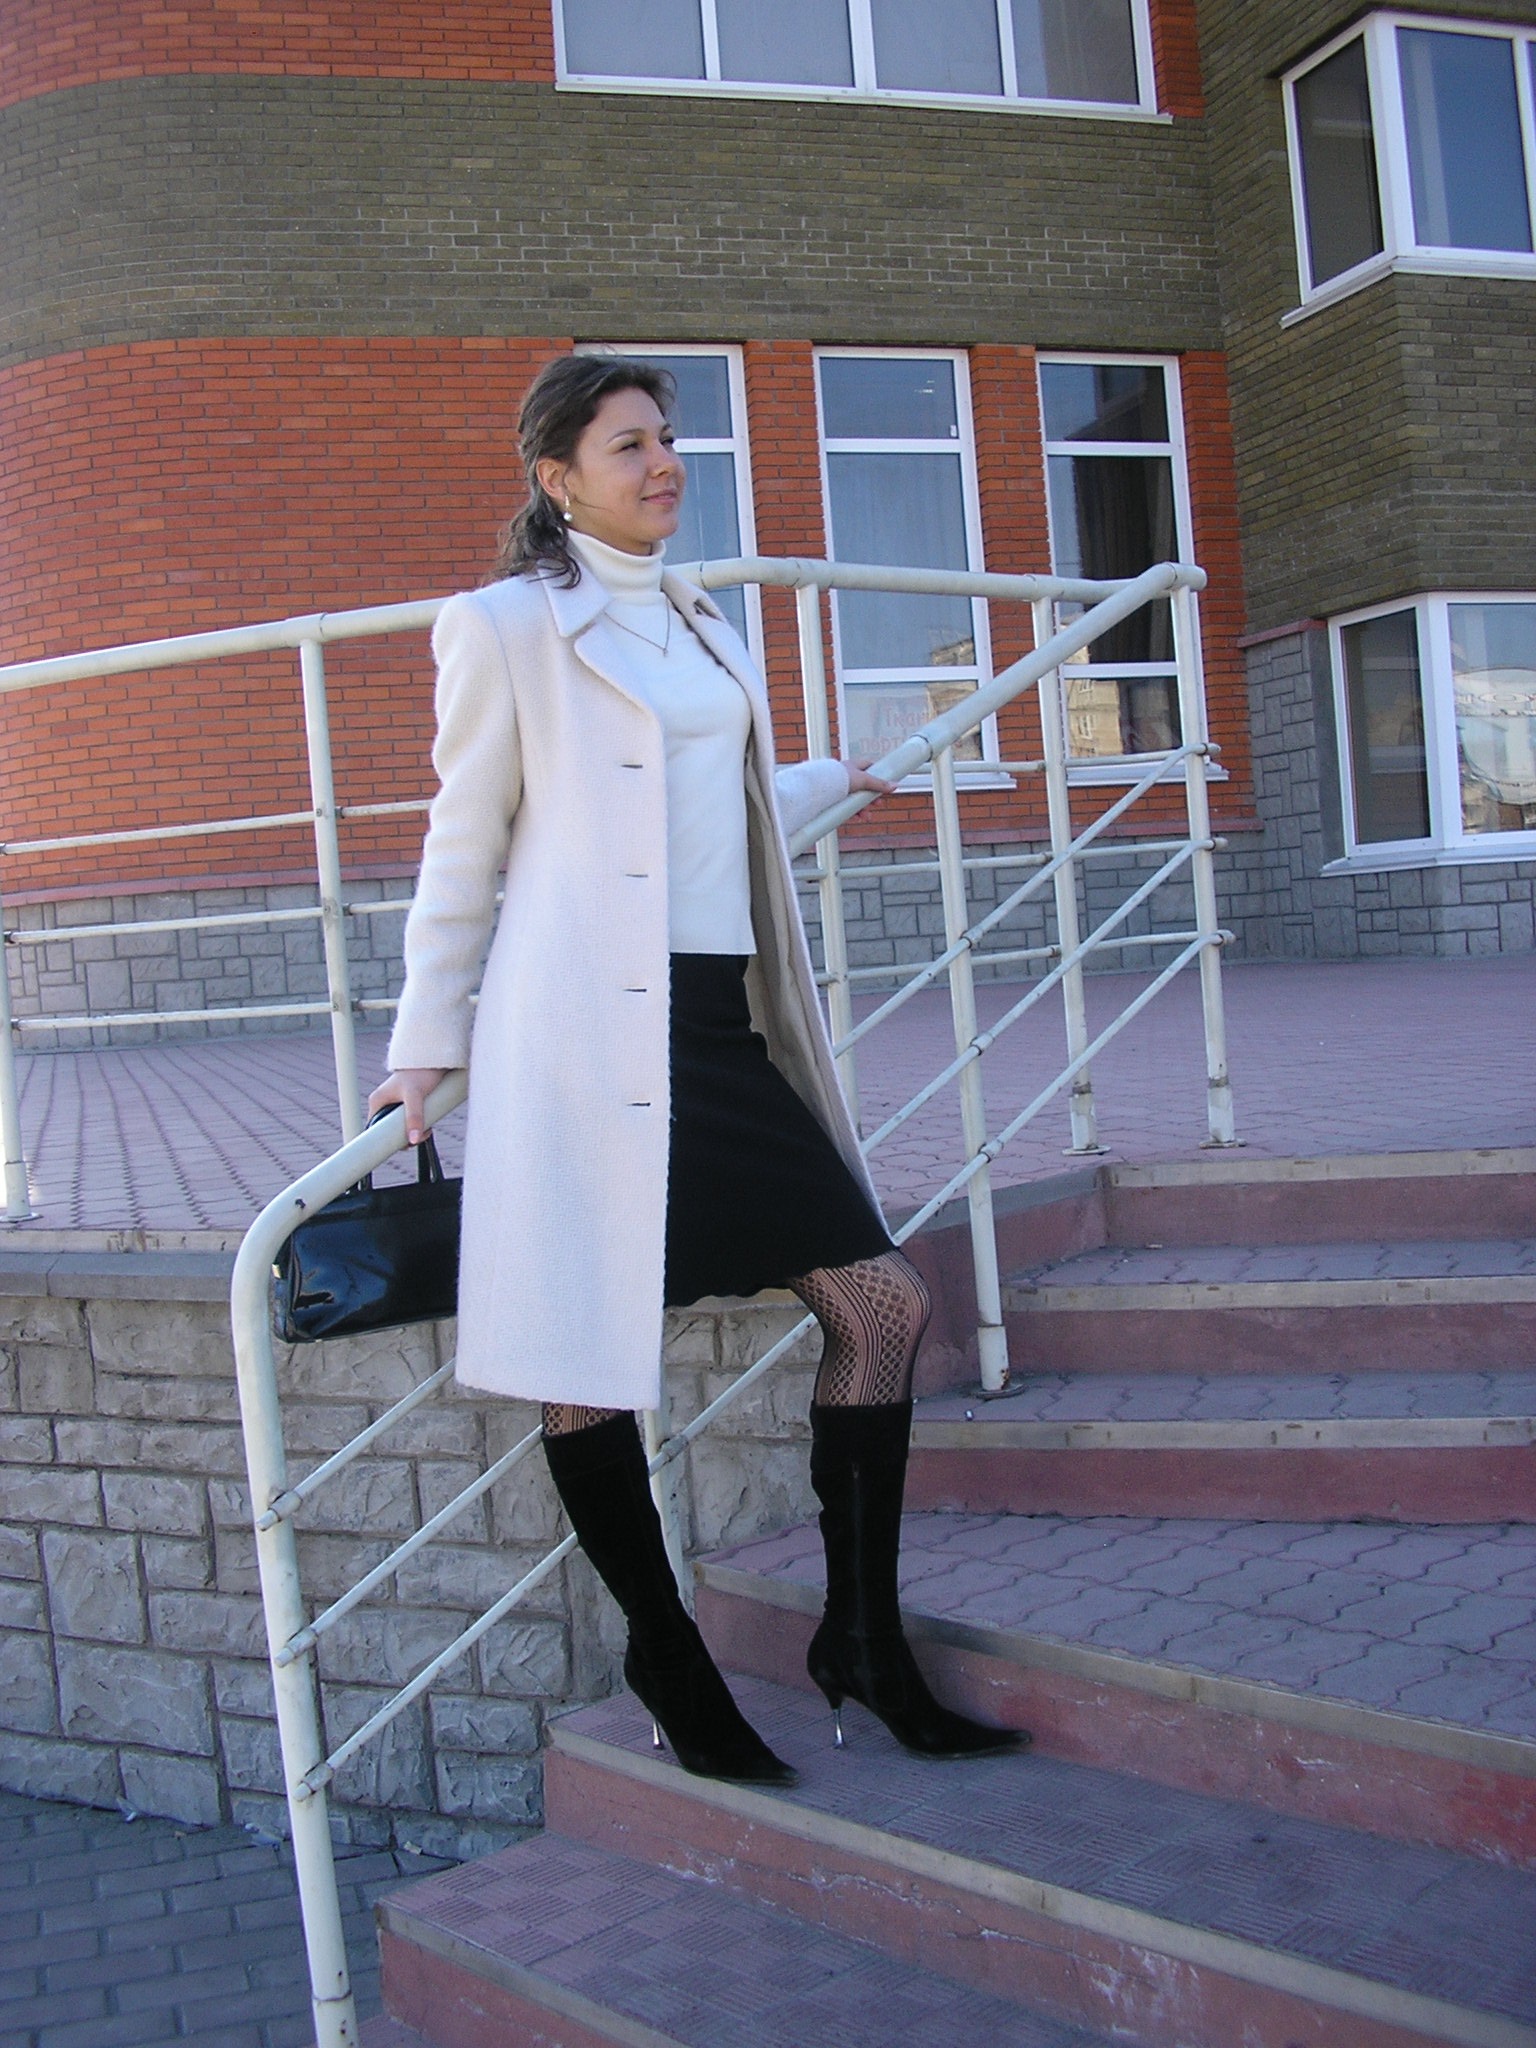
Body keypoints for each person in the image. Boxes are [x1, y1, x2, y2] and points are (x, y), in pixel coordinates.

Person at [370, 352, 1024, 1785]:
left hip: (719, 1027)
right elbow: (462, 843)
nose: (664, 462)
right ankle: (666, 1653)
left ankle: (861, 1639)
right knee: (584, 1356)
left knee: (882, 1303)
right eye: (629, 445)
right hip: (584, 1033)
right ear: (557, 478)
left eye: (668, 437)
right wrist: (423, 1044)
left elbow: (689, 805)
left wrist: (825, 782)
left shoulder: (698, 615)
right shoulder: (504, 627)